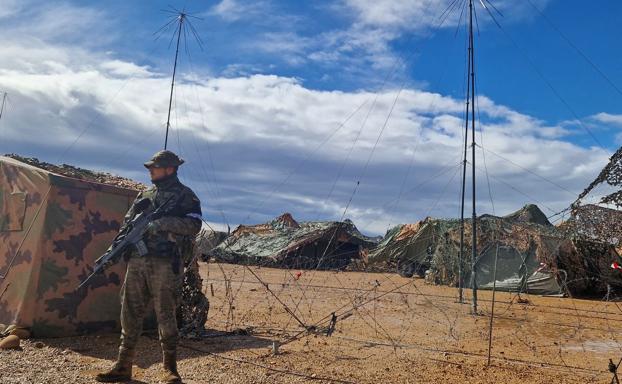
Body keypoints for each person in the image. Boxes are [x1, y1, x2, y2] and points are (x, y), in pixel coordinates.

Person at [96, 150, 202, 384]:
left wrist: (161, 224)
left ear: (170, 169)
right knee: (129, 311)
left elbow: (194, 225)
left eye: (155, 167)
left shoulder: (186, 196)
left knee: (165, 312)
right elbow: (127, 225)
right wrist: (114, 250)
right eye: (151, 167)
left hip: (166, 263)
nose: (150, 171)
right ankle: (123, 366)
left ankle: (170, 369)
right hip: (138, 262)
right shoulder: (145, 195)